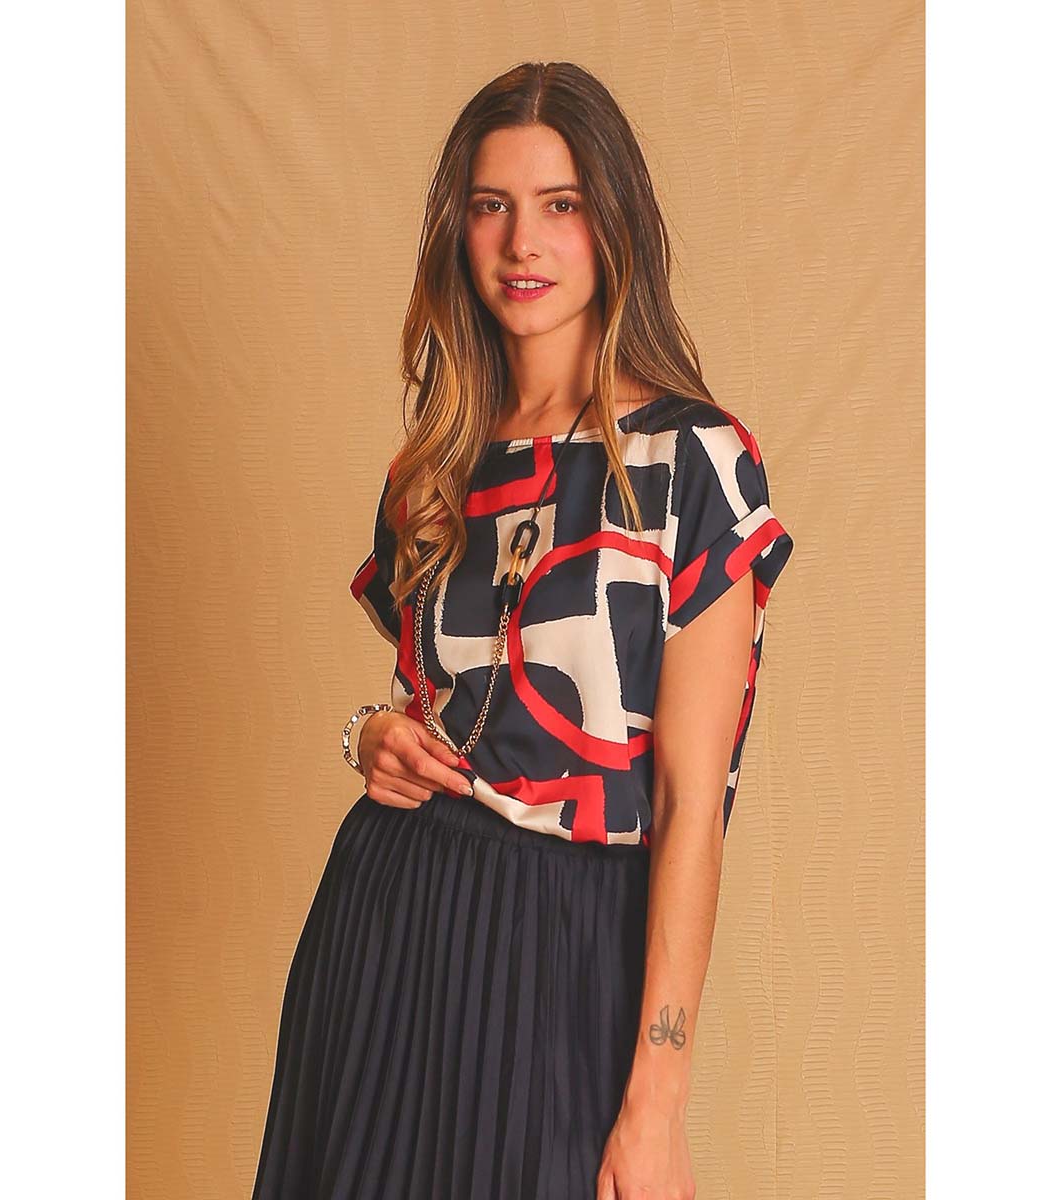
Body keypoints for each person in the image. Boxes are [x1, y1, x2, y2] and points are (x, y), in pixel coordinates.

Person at [251, 60, 794, 1200]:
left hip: (572, 946)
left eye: (561, 204)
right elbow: (447, 709)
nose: (521, 243)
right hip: (389, 925)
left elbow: (691, 805)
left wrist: (657, 1102)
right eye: (491, 205)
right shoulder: (434, 466)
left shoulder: (694, 464)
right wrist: (369, 736)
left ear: (613, 225)